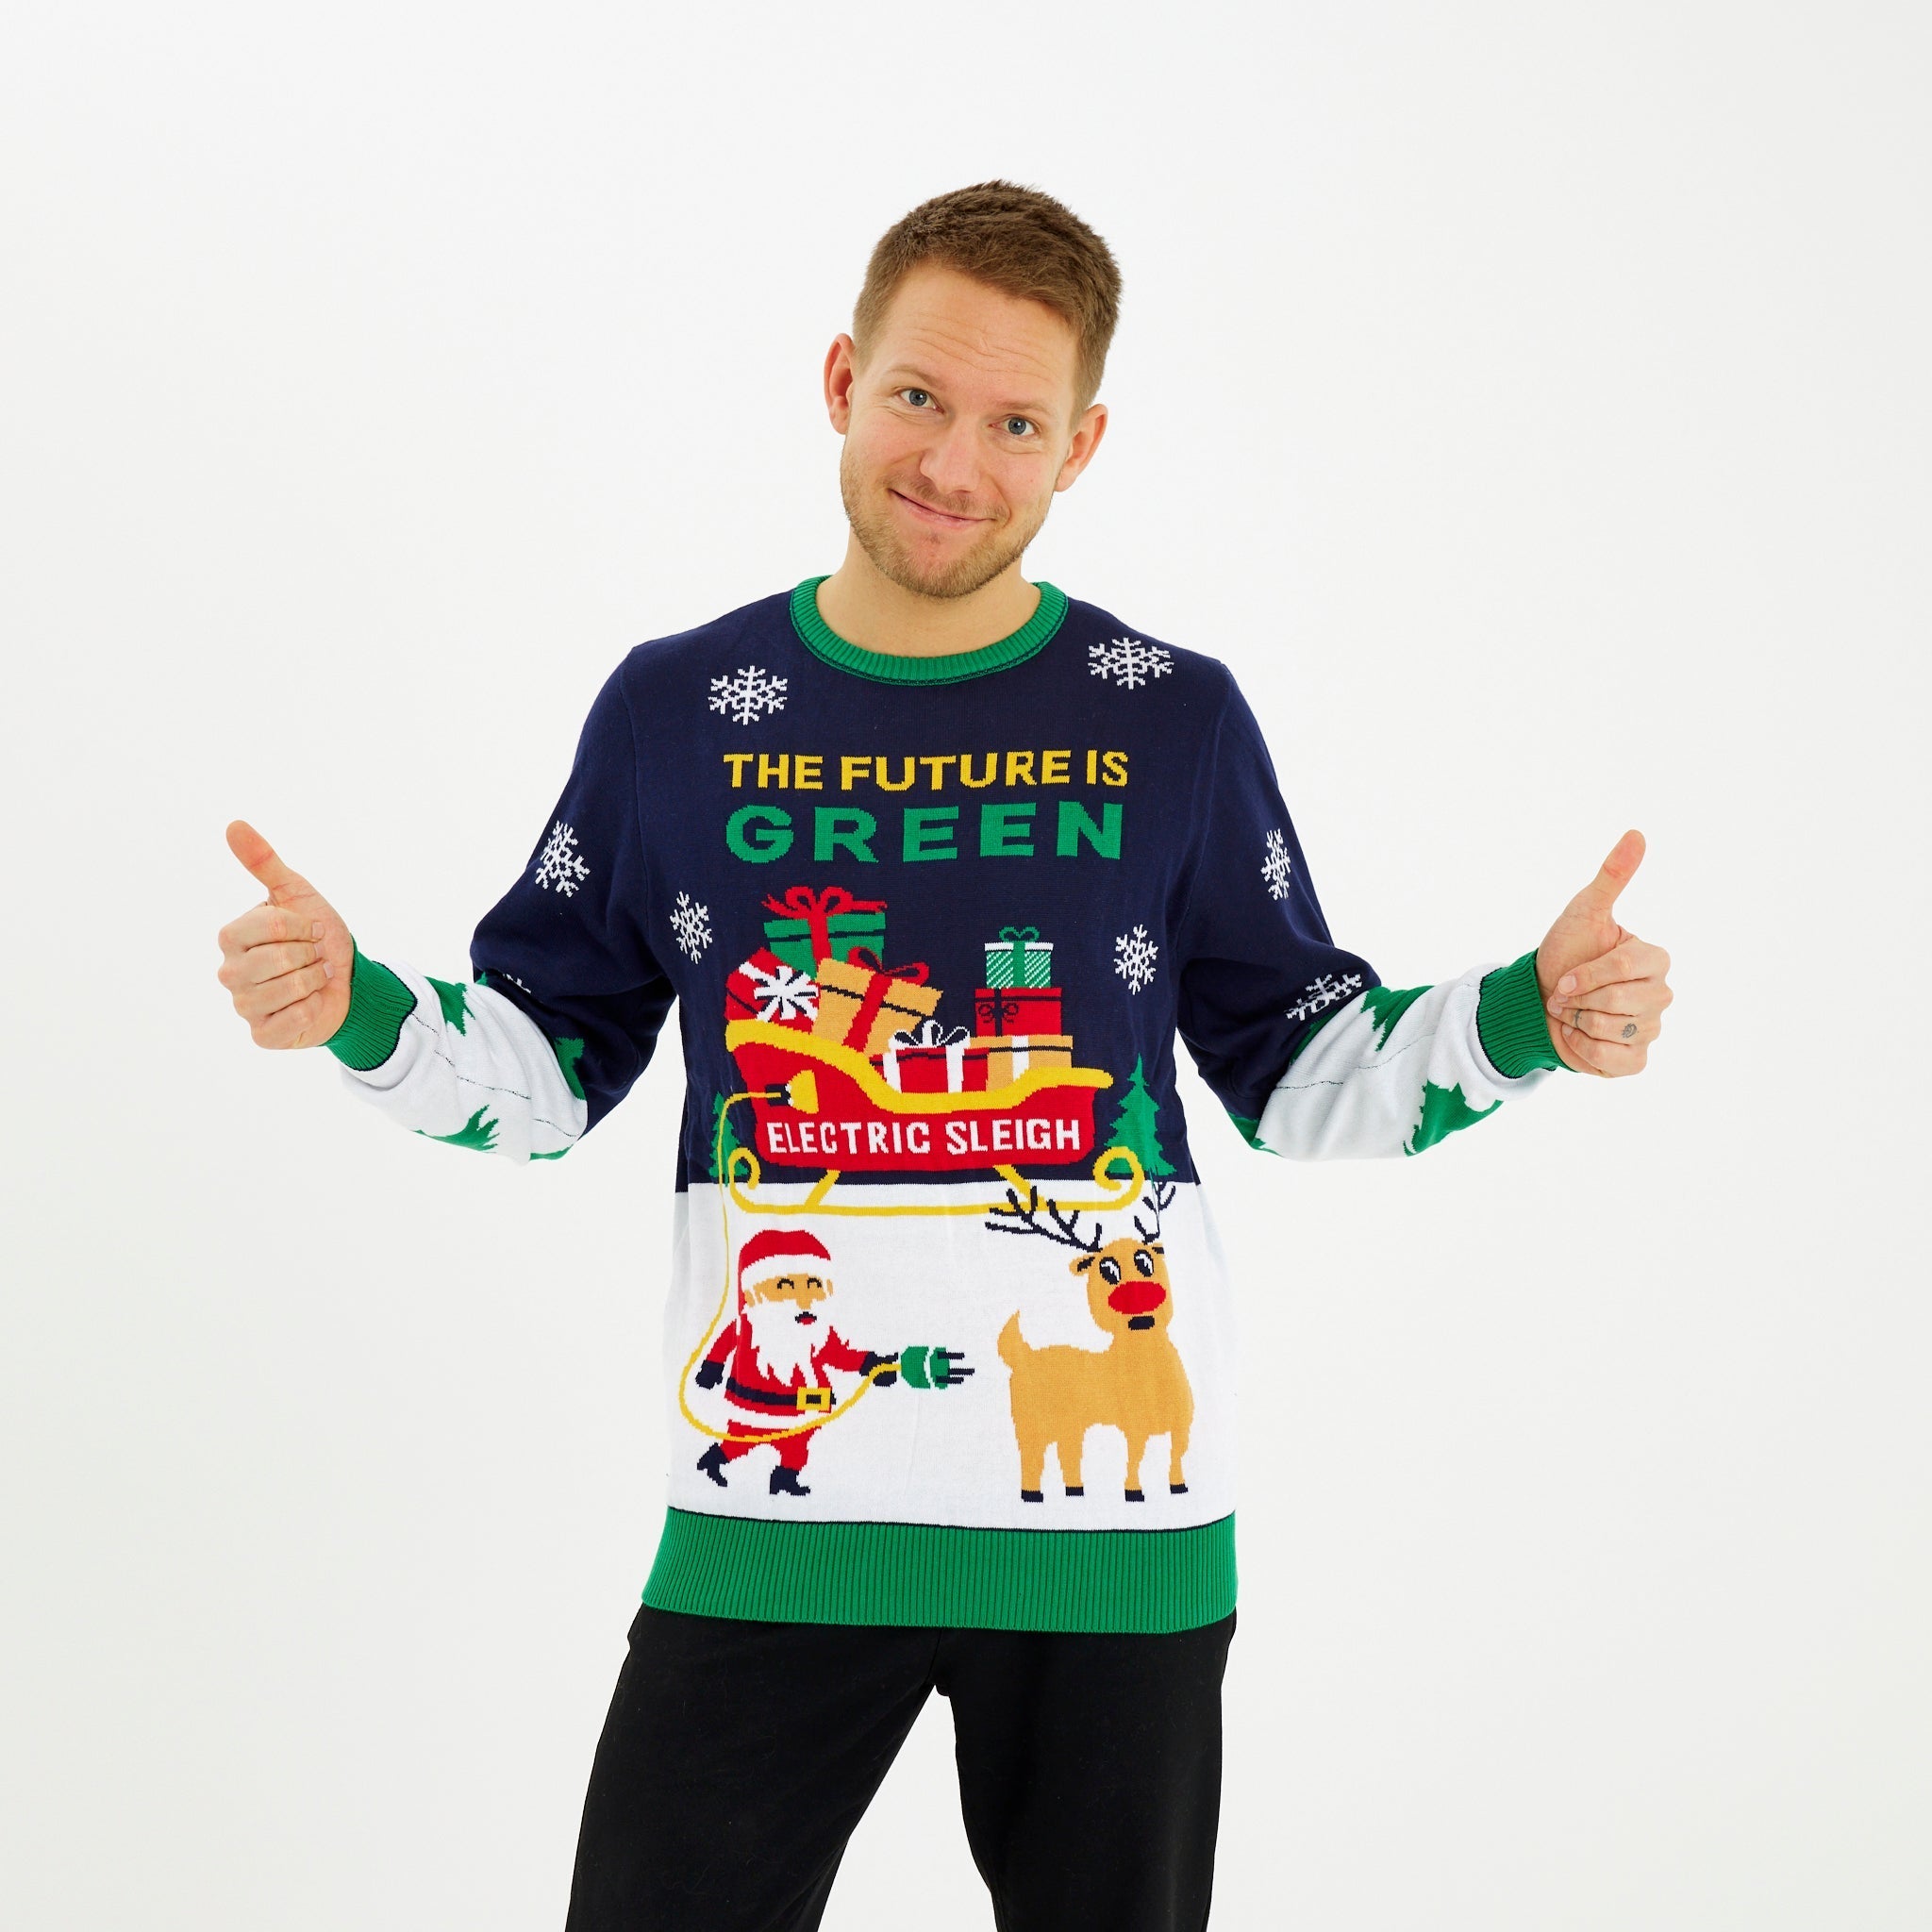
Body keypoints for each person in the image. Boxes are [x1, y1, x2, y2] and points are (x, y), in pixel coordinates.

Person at [215, 182, 1673, 1932]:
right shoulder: (675, 711)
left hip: (1113, 1549)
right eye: (919, 396)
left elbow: (1301, 1074)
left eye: (1015, 423)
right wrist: (358, 1007)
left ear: (1082, 445)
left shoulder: (1171, 719)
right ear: (843, 380)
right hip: (773, 1513)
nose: (955, 463)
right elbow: (542, 1072)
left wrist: (1525, 1017)